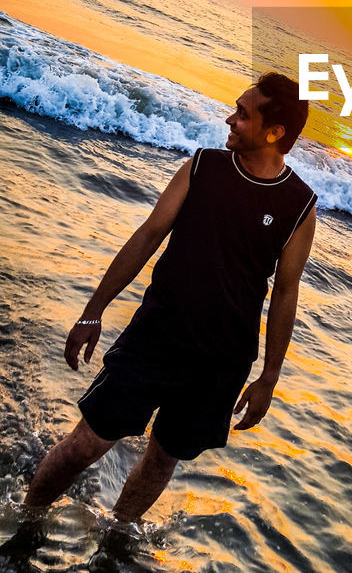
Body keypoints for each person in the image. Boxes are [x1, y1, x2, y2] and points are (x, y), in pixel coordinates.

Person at [24, 73, 317, 522]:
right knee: (88, 442)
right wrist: (92, 311)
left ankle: (114, 542)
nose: (230, 119)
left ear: (274, 133)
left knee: (163, 459)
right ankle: (24, 522)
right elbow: (147, 237)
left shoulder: (299, 204)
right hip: (156, 338)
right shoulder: (202, 167)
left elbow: (286, 293)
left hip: (221, 363)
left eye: (243, 114)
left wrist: (269, 377)